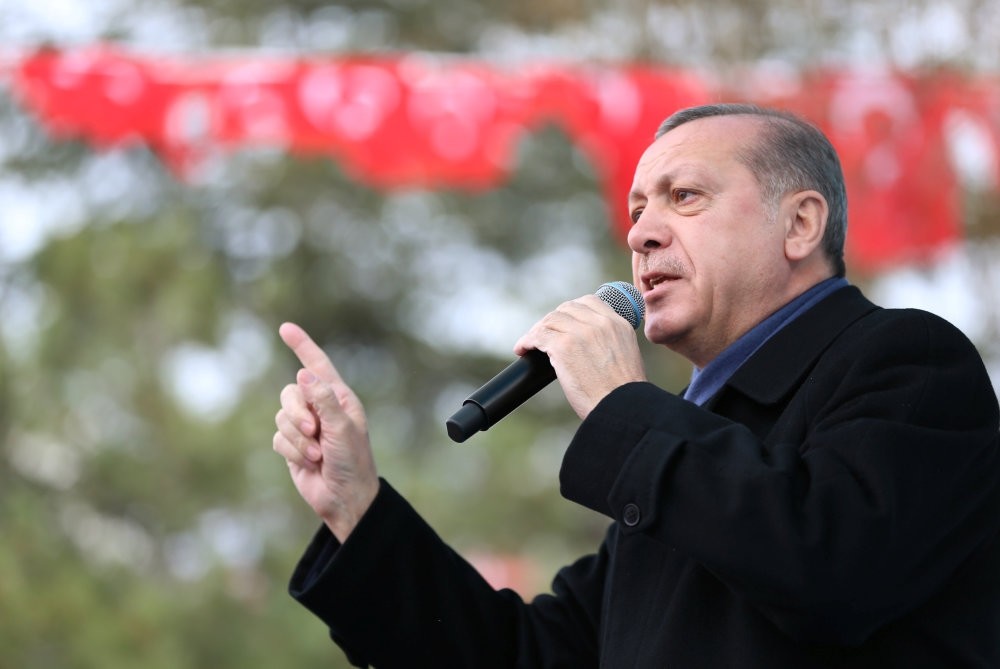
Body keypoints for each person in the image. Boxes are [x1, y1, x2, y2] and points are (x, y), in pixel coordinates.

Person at [272, 103, 1000, 667]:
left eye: (682, 196)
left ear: (801, 223)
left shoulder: (910, 362)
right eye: (636, 210)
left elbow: (834, 571)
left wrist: (627, 411)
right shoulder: (685, 449)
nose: (641, 234)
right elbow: (529, 655)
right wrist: (358, 508)